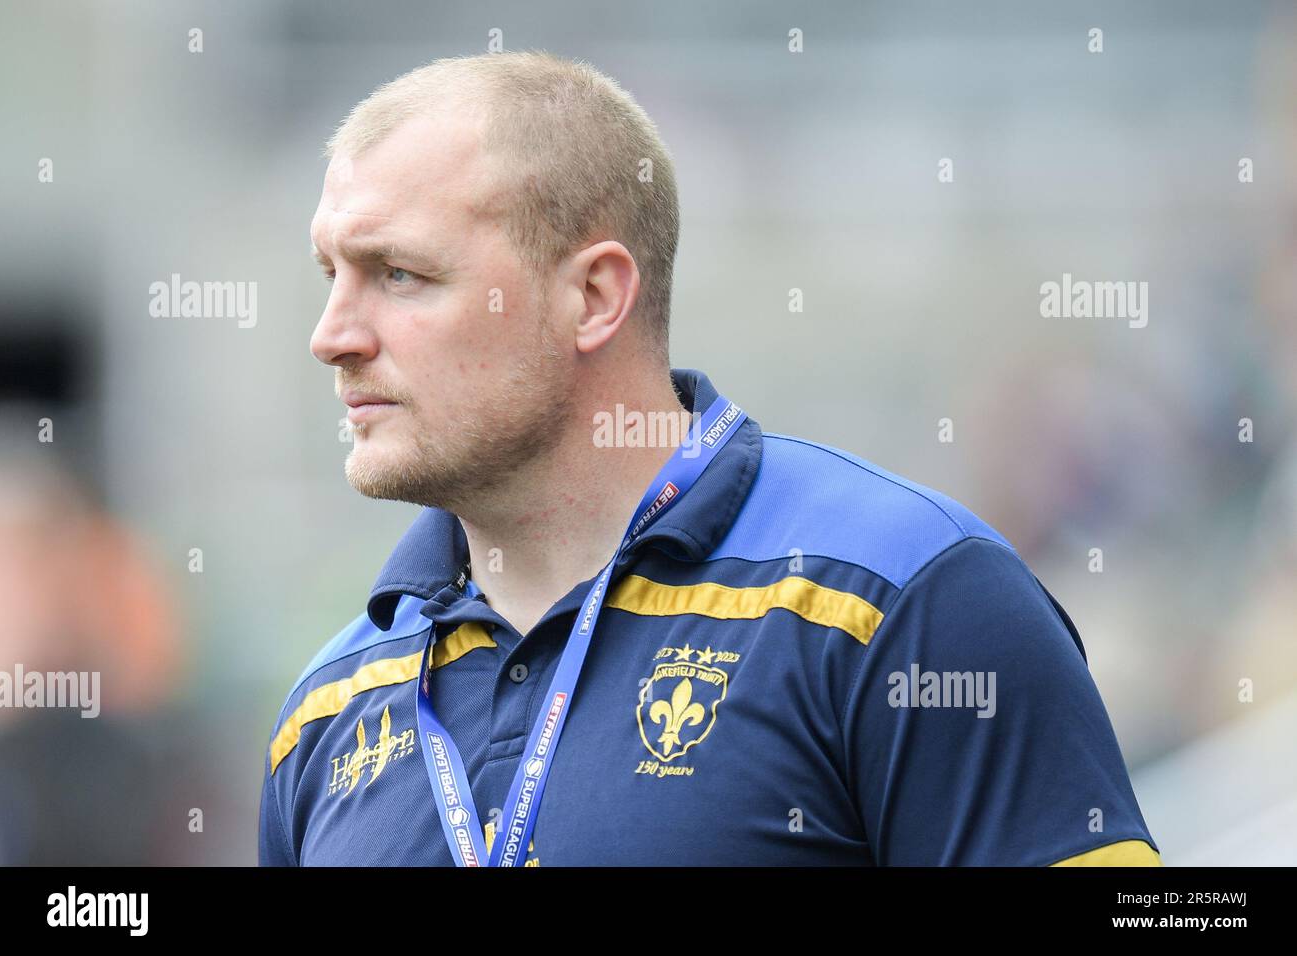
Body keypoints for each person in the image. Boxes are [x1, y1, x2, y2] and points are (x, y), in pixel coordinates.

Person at [258, 50, 1160, 866]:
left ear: (593, 296)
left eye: (399, 274)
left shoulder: (901, 600)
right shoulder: (326, 712)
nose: (332, 335)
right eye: (329, 273)